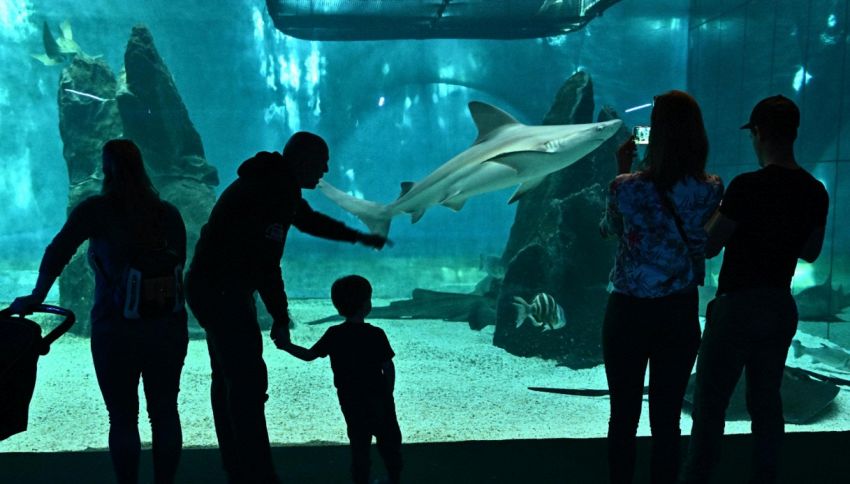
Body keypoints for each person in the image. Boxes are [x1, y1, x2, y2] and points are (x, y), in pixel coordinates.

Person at [185, 132, 387, 483]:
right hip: (222, 291)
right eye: (321, 161)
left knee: (228, 379)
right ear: (302, 160)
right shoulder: (272, 191)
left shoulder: (275, 184)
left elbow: (309, 221)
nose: (326, 168)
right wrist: (280, 317)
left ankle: (238, 467)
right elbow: (267, 265)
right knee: (246, 382)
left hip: (211, 287)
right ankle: (258, 474)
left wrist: (358, 237)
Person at [10, 139, 189, 484]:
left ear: (106, 170)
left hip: (115, 329)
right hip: (167, 329)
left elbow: (57, 251)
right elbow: (179, 265)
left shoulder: (96, 210)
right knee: (165, 413)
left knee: (122, 417)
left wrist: (37, 296)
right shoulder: (168, 213)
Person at [679, 95, 829, 484]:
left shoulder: (746, 187)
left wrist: (713, 216)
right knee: (766, 403)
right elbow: (811, 252)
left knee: (710, 405)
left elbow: (710, 244)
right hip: (778, 305)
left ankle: (698, 478)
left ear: (758, 133)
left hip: (737, 305)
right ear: (794, 133)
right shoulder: (815, 192)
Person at [599, 90, 724, 484]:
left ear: (655, 136)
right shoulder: (711, 188)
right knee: (667, 420)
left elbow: (610, 230)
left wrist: (623, 166)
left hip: (628, 312)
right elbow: (707, 240)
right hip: (678, 312)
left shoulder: (625, 187)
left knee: (623, 415)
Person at [278, 275, 402, 484]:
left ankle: (361, 480)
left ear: (338, 306)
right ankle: (394, 478)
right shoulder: (376, 333)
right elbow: (388, 366)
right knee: (389, 443)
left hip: (351, 400)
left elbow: (309, 356)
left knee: (359, 446)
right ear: (366, 305)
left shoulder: (334, 333)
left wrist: (286, 345)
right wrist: (388, 393)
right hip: (379, 399)